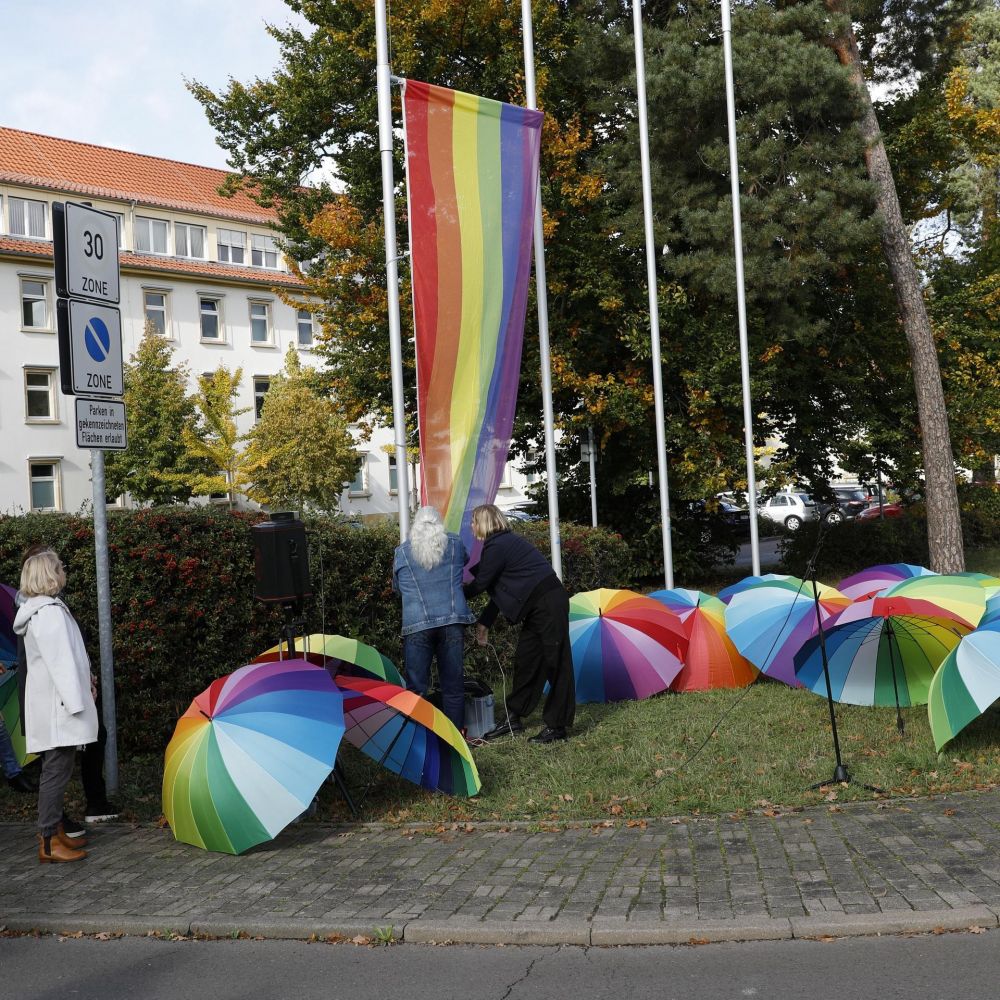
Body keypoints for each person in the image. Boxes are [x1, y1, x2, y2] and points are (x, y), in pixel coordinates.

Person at [15, 545, 118, 827]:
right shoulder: (49, 613)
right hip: (60, 708)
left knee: (57, 768)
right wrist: (79, 701)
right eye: (59, 567)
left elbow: (67, 659)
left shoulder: (44, 610)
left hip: (56, 705)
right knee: (56, 770)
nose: (63, 571)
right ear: (48, 574)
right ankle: (49, 835)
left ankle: (52, 833)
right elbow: (61, 664)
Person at [463, 504, 575, 744]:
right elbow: (497, 591)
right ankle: (514, 717)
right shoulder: (501, 544)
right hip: (537, 607)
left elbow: (480, 585)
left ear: (484, 522)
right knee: (527, 660)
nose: (471, 526)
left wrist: (450, 594)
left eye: (473, 521)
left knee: (556, 663)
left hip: (548, 603)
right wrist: (485, 623)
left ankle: (557, 727)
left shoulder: (498, 546)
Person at [393, 506, 476, 731]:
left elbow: (397, 588)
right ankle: (455, 737)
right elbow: (464, 560)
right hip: (452, 621)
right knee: (453, 685)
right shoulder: (454, 543)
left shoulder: (402, 552)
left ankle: (418, 737)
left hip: (416, 624)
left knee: (416, 688)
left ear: (415, 525)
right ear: (439, 523)